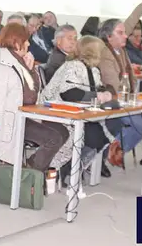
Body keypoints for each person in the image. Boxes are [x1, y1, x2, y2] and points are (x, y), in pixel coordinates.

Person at [0, 23, 68, 171]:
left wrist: (31, 69)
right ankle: (29, 173)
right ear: (15, 42)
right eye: (25, 40)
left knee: (62, 132)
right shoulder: (2, 66)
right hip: (11, 119)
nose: (28, 43)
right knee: (54, 138)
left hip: (26, 114)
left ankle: (30, 169)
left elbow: (33, 91)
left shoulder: (19, 61)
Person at [93, 0, 142, 166]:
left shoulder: (118, 47)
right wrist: (132, 102)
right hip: (115, 102)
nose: (126, 36)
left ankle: (113, 150)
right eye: (121, 33)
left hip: (128, 99)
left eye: (124, 33)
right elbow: (113, 85)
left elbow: (129, 23)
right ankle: (109, 151)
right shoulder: (105, 52)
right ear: (108, 36)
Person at [42, 35, 120, 180]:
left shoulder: (93, 69)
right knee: (96, 134)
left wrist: (107, 92)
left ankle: (73, 166)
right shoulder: (73, 66)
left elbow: (98, 88)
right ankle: (66, 168)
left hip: (79, 114)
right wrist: (99, 96)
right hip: (55, 113)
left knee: (114, 123)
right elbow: (69, 94)